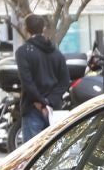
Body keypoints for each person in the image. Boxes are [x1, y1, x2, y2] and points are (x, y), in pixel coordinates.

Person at [15, 14, 66, 143]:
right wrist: (49, 102)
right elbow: (64, 81)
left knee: (32, 151)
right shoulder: (56, 53)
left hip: (32, 108)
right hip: (54, 110)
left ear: (26, 29)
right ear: (43, 29)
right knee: (53, 150)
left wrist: (41, 103)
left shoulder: (23, 52)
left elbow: (27, 82)